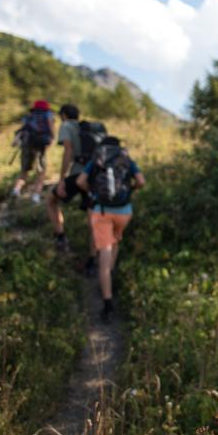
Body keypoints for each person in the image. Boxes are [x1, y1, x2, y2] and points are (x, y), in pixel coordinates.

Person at [76, 136, 144, 323]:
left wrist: (93, 192)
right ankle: (110, 275)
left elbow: (80, 182)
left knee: (103, 257)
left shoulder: (97, 159)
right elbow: (141, 181)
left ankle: (107, 303)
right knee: (115, 241)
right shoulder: (126, 159)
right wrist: (130, 191)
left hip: (102, 211)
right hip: (124, 212)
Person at [47, 104, 105, 253]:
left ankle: (60, 236)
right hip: (94, 176)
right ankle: (93, 260)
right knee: (92, 216)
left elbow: (68, 151)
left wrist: (61, 180)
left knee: (51, 200)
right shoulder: (87, 128)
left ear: (64, 115)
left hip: (77, 174)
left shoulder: (66, 126)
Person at [10, 99, 54, 204]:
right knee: (41, 172)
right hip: (40, 145)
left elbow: (23, 129)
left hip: (27, 145)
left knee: (25, 170)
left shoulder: (29, 117)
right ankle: (36, 196)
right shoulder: (48, 114)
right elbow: (51, 128)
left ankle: (16, 190)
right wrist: (51, 139)